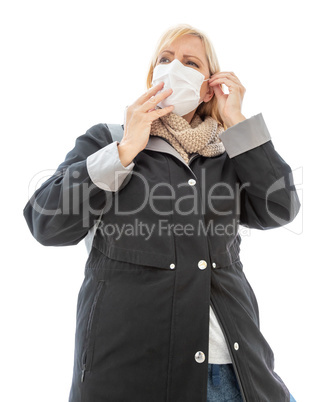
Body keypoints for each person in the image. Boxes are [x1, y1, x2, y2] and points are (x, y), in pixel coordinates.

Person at [23, 24, 300, 402]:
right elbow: (47, 223)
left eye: (190, 62)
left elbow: (279, 208)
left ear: (209, 84)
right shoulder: (107, 139)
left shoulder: (229, 153)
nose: (174, 68)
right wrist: (124, 150)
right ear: (151, 75)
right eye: (165, 60)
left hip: (237, 375)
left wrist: (238, 122)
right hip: (134, 376)